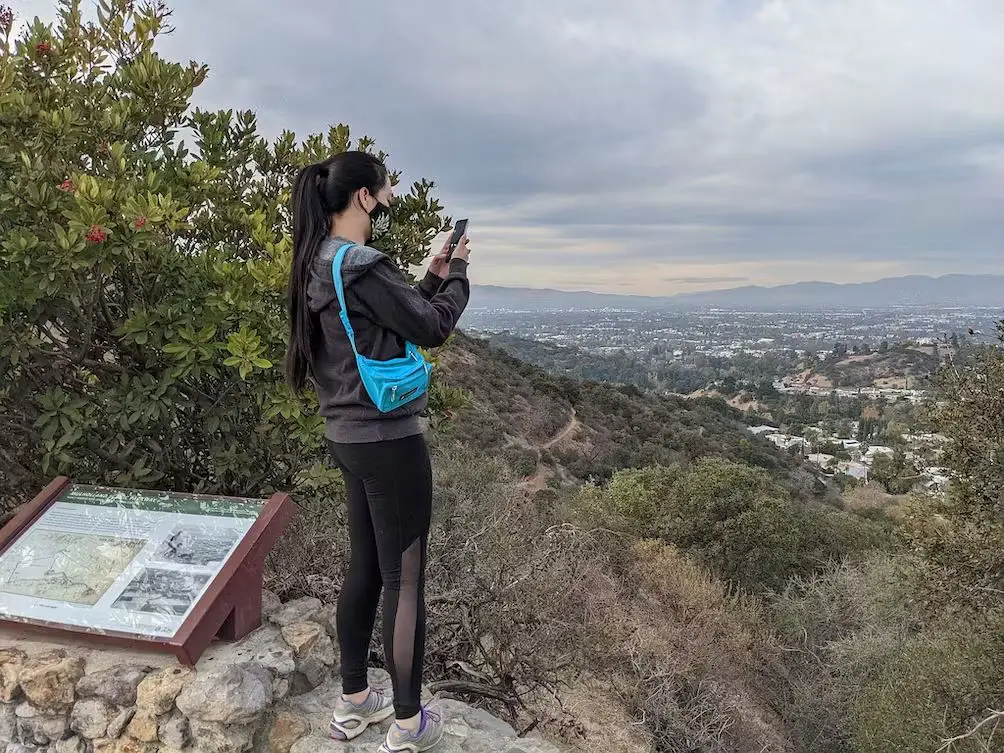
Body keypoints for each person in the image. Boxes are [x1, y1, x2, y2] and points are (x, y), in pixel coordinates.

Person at [285, 150, 471, 752]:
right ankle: (409, 724)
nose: (389, 196)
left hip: (346, 435)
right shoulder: (363, 264)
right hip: (390, 440)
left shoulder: (319, 261)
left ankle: (354, 701)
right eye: (384, 188)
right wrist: (461, 276)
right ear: (363, 196)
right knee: (405, 578)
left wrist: (433, 277)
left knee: (365, 564)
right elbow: (432, 328)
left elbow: (391, 318)